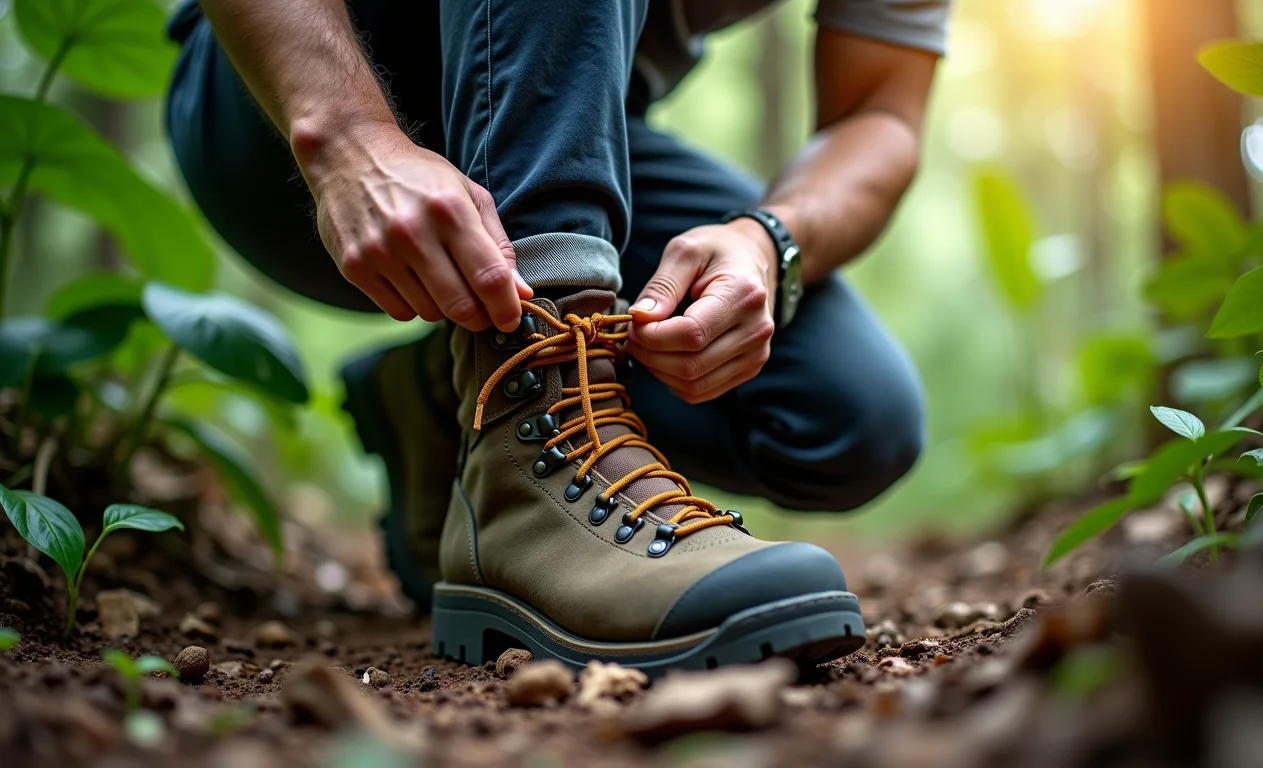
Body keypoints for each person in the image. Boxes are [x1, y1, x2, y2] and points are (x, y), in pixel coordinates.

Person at [165, 0, 944, 673]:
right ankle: (530, 447)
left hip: (564, 130)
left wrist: (769, 240)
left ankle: (448, 398)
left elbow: (879, 110)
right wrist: (345, 137)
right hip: (283, 91)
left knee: (848, 416)